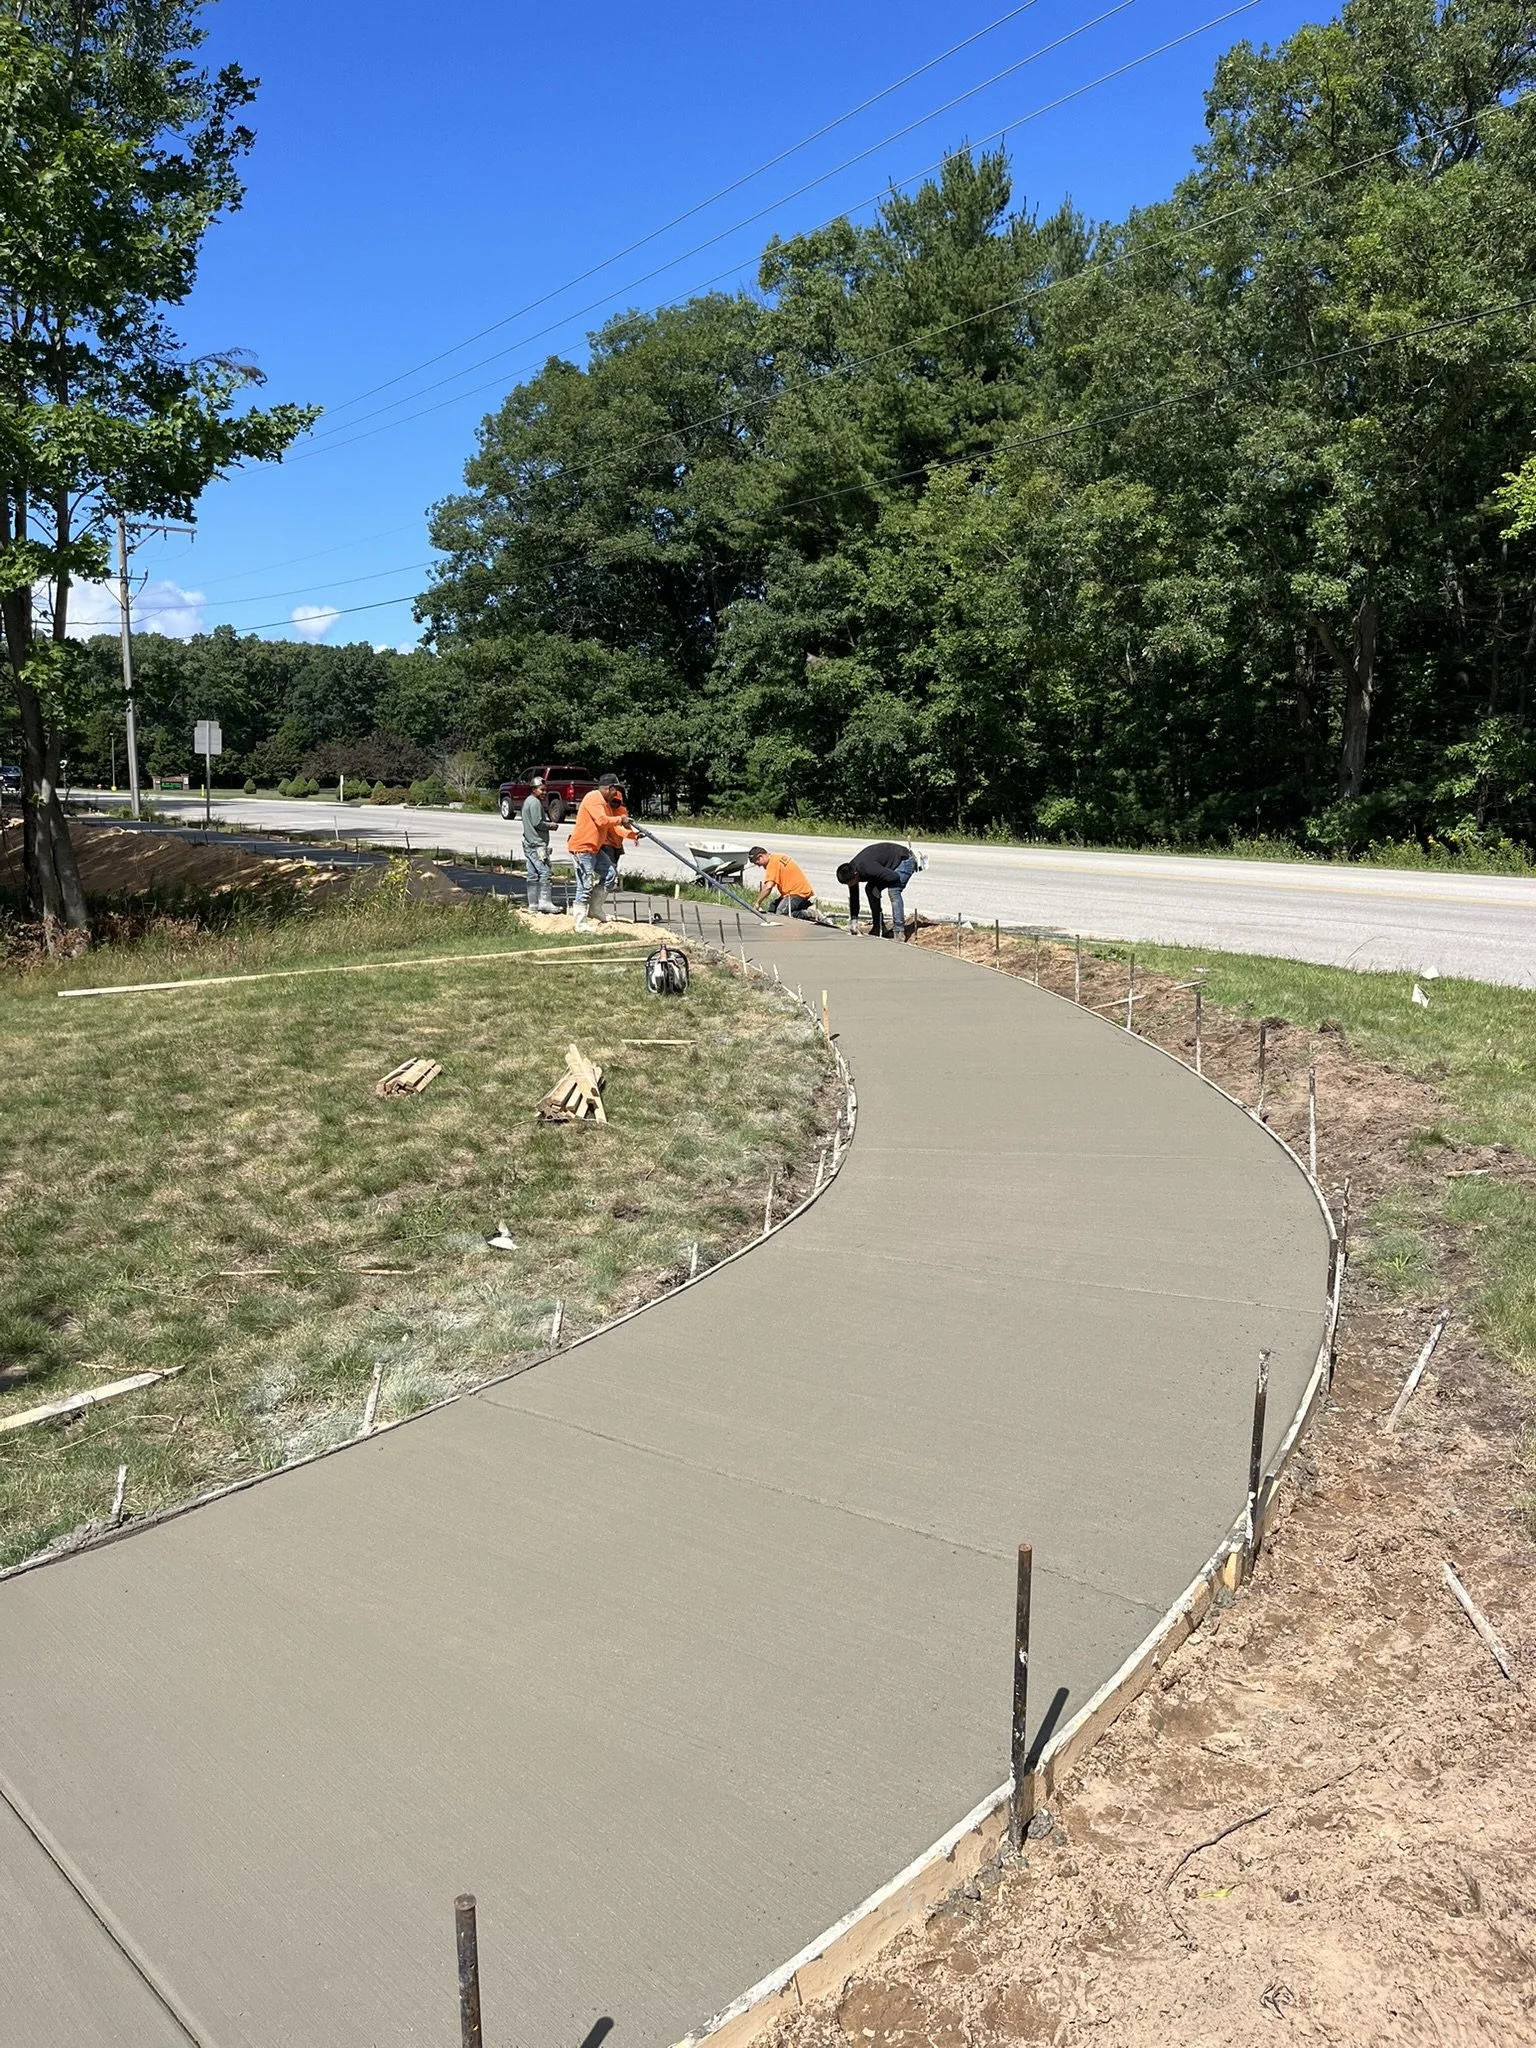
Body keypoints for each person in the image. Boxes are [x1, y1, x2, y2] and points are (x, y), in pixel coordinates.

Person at [567, 772, 638, 929]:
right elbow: (602, 821)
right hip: (582, 849)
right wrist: (621, 819)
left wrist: (633, 834)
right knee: (585, 885)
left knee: (610, 874)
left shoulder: (605, 803)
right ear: (609, 788)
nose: (616, 794)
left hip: (594, 849)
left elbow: (613, 828)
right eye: (615, 790)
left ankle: (595, 909)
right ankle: (580, 922)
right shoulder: (594, 798)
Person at [835, 841, 919, 939]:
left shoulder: (868, 868)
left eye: (850, 883)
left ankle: (899, 931)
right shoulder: (851, 871)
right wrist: (854, 920)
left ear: (856, 874)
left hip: (904, 860)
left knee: (894, 891)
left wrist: (877, 884)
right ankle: (878, 926)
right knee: (870, 889)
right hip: (889, 865)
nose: (849, 885)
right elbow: (854, 898)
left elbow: (894, 877)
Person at [520, 774, 556, 914]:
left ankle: (533, 904)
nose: (544, 793)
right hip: (537, 844)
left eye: (545, 790)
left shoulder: (528, 801)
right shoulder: (534, 802)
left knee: (532, 875)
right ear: (534, 789)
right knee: (545, 872)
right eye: (542, 790)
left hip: (529, 843)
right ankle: (545, 902)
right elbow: (537, 823)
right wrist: (551, 825)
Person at [749, 846, 815, 918]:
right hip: (796, 893)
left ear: (760, 856)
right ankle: (804, 908)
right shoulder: (776, 857)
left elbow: (769, 886)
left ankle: (808, 913)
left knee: (781, 914)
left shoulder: (772, 863)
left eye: (757, 862)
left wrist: (758, 903)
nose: (758, 866)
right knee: (772, 908)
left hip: (798, 893)